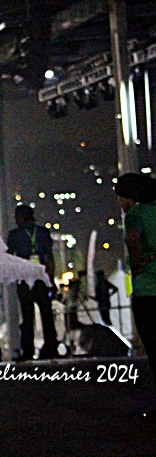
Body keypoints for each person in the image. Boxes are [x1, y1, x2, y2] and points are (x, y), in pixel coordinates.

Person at [114, 173, 156, 406]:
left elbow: (132, 239)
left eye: (120, 199)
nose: (120, 204)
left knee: (152, 342)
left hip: (147, 290)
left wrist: (137, 262)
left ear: (129, 197)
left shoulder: (135, 214)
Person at [6, 205, 58, 360]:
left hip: (24, 279)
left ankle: (27, 351)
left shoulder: (14, 235)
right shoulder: (43, 232)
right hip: (42, 277)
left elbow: (9, 257)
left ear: (21, 217)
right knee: (47, 315)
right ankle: (51, 348)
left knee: (27, 317)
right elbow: (50, 258)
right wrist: (51, 279)